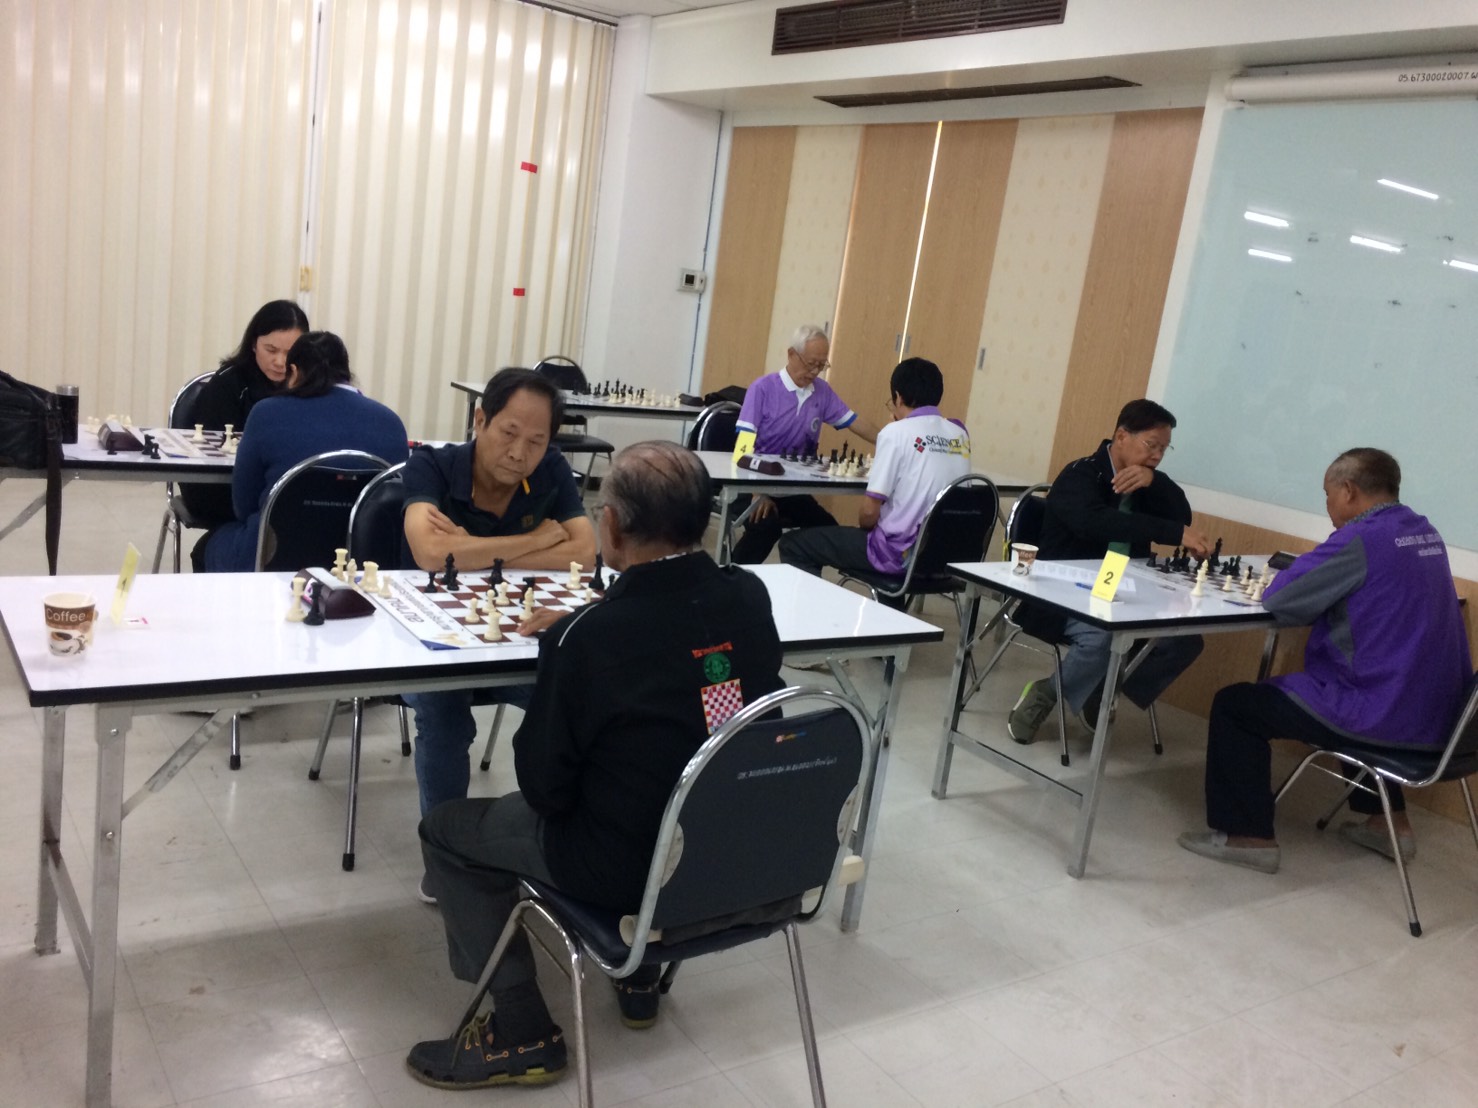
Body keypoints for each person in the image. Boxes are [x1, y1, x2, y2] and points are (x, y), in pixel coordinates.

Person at [406, 442, 785, 1090]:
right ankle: (638, 977)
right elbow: (717, 701)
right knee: (661, 776)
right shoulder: (749, 597)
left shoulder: (587, 639)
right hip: (731, 854)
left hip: (619, 868)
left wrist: (576, 639)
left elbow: (545, 790)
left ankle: (521, 1027)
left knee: (448, 831)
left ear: (610, 526)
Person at [1178, 448, 1471, 874]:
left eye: (1328, 495)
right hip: (1443, 720)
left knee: (1236, 706)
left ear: (1348, 490)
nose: (1328, 506)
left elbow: (1281, 597)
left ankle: (1248, 838)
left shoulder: (1361, 537)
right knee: (1365, 694)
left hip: (1384, 714)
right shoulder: (1424, 532)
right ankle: (1389, 825)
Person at [400, 368, 598, 863]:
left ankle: (566, 846)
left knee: (577, 697)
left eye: (536, 441)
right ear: (480, 420)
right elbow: (430, 553)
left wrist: (471, 548)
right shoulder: (431, 466)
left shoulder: (550, 470)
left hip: (516, 637)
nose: (520, 452)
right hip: (430, 646)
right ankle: (447, 862)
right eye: (509, 433)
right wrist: (535, 540)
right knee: (444, 718)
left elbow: (585, 555)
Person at [1008, 399, 1214, 743]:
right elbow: (1096, 523)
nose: (1157, 456)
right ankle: (1047, 693)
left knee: (1184, 641)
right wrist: (1172, 532)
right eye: (1151, 445)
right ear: (1121, 436)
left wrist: (1155, 481)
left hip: (1126, 590)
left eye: (1164, 449)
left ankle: (1100, 688)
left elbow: (1182, 516)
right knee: (1102, 636)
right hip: (1062, 591)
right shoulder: (1080, 474)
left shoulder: (1146, 481)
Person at [198, 331, 408, 572]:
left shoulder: (266, 413)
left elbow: (243, 506)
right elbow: (397, 505)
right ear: (346, 373)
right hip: (364, 562)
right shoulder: (391, 422)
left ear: (294, 372)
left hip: (273, 558)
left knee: (209, 546)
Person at [778, 357, 970, 590]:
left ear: (898, 397)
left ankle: (813, 610)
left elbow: (868, 514)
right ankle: (891, 607)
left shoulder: (896, 433)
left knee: (793, 544)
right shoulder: (959, 433)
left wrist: (896, 428)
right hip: (945, 555)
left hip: (898, 555)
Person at [730, 323, 879, 564]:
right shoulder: (763, 389)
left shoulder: (822, 391)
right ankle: (732, 577)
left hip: (792, 489)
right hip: (752, 484)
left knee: (827, 531)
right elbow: (743, 447)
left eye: (821, 365)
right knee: (766, 528)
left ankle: (804, 580)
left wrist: (891, 440)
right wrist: (757, 492)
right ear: (792, 354)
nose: (815, 372)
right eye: (811, 364)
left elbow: (855, 421)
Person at [182, 300, 311, 562]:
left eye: (290, 353)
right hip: (225, 493)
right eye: (270, 350)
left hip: (279, 493)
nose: (280, 362)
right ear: (254, 344)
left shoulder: (307, 386)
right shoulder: (228, 384)